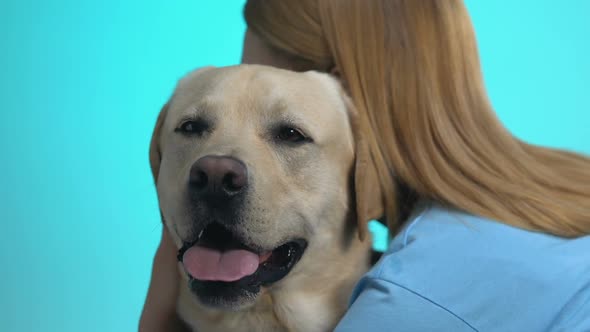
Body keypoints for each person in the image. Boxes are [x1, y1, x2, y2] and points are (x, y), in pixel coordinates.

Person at [139, 1, 590, 331]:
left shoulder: (412, 302)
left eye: (288, 131)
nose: (217, 164)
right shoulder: (563, 190)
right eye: (195, 127)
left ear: (346, 93)